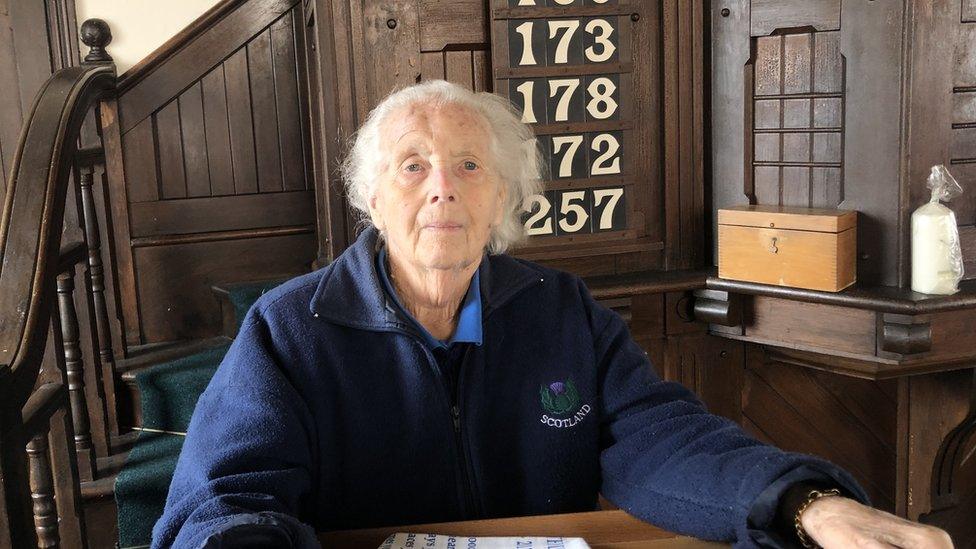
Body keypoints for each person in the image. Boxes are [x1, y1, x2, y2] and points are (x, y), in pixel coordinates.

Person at [152, 80, 953, 549]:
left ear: (504, 195)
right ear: (369, 196)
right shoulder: (290, 329)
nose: (444, 187)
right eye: (413, 166)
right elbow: (225, 494)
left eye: (470, 165)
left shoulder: (559, 310)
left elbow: (662, 438)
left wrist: (807, 503)